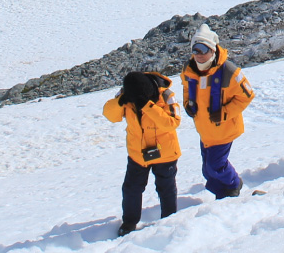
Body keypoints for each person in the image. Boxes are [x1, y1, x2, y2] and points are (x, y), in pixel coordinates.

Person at [179, 25, 254, 200]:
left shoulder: (229, 71)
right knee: (208, 170)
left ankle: (234, 185)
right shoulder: (189, 70)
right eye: (195, 49)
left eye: (203, 49)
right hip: (205, 130)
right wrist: (187, 103)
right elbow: (186, 88)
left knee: (215, 166)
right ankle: (223, 194)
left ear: (212, 50)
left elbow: (247, 96)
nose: (198, 53)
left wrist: (225, 113)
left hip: (224, 130)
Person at [104, 71, 182, 235]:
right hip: (138, 155)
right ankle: (129, 223)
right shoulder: (127, 93)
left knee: (165, 188)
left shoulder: (166, 95)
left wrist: (148, 106)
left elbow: (172, 122)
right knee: (131, 188)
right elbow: (110, 115)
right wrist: (120, 102)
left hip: (165, 153)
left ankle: (169, 220)